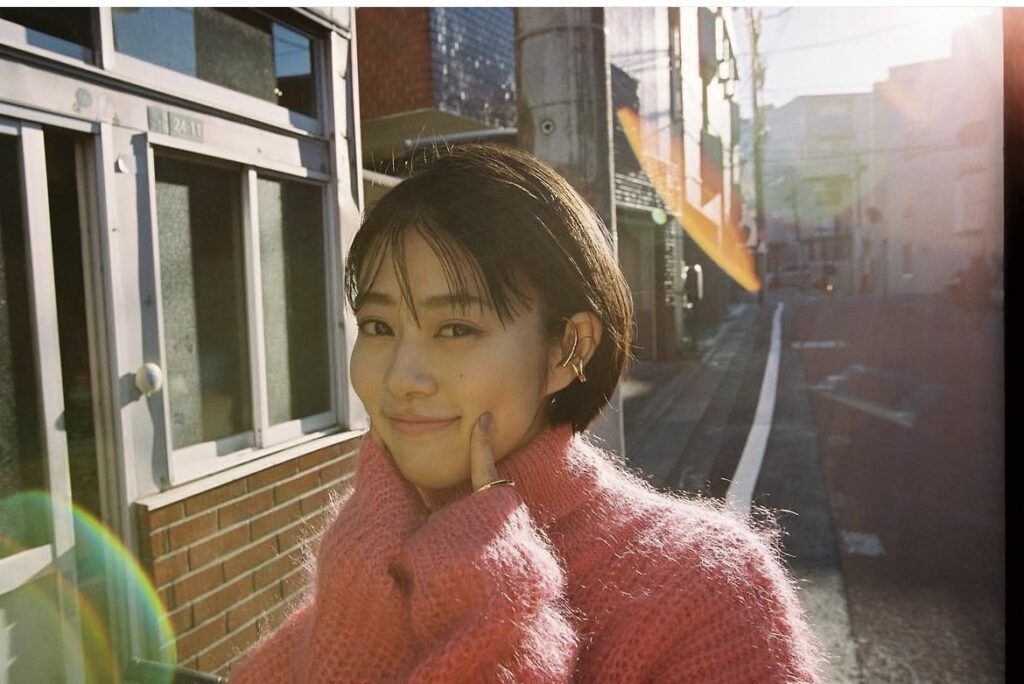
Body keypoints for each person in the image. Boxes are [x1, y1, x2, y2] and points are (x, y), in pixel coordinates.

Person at [229, 144, 822, 683]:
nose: (399, 379)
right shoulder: (366, 564)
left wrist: (492, 607)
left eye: (455, 328)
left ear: (567, 350)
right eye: (378, 326)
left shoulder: (708, 592)